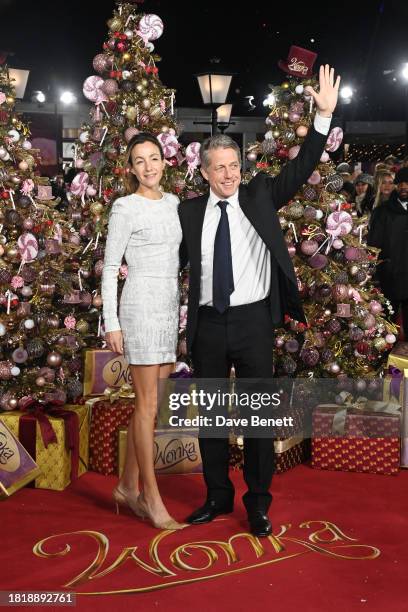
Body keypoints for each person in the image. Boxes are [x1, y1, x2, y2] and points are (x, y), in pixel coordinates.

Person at [178, 64, 340, 537]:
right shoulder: (187, 212)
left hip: (252, 322)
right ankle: (216, 496)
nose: (229, 174)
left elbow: (304, 165)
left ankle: (258, 503)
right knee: (210, 417)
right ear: (204, 172)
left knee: (256, 419)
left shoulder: (261, 195)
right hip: (207, 323)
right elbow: (173, 263)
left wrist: (324, 117)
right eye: (219, 168)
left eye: (234, 165)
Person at [101, 133, 187, 530]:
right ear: (131, 167)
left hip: (168, 309)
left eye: (154, 158)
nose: (149, 166)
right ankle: (152, 499)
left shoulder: (173, 204)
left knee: (152, 407)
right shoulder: (125, 207)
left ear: (164, 161)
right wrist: (112, 322)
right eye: (140, 160)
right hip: (139, 307)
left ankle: (126, 486)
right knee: (147, 406)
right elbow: (108, 268)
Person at [368, 167, 408, 340]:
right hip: (391, 275)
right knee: (388, 323)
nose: (404, 187)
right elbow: (374, 244)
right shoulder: (382, 211)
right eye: (400, 183)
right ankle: (387, 360)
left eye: (407, 183)